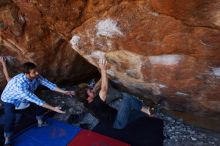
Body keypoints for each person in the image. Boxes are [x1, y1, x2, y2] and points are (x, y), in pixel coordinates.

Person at [1, 61, 74, 146]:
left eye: (36, 70)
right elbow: (37, 100)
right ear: (26, 74)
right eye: (34, 72)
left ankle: (40, 122)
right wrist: (53, 108)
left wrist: (64, 92)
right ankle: (7, 138)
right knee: (11, 118)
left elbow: (49, 85)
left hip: (24, 96)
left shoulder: (36, 76)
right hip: (9, 99)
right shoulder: (20, 85)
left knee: (38, 105)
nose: (37, 73)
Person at [76, 58, 152, 130]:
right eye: (90, 91)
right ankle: (148, 111)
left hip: (115, 118)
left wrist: (104, 76)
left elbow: (97, 87)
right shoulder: (96, 104)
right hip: (118, 122)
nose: (92, 90)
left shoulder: (85, 102)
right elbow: (104, 88)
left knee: (136, 111)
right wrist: (103, 69)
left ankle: (146, 111)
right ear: (88, 98)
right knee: (127, 98)